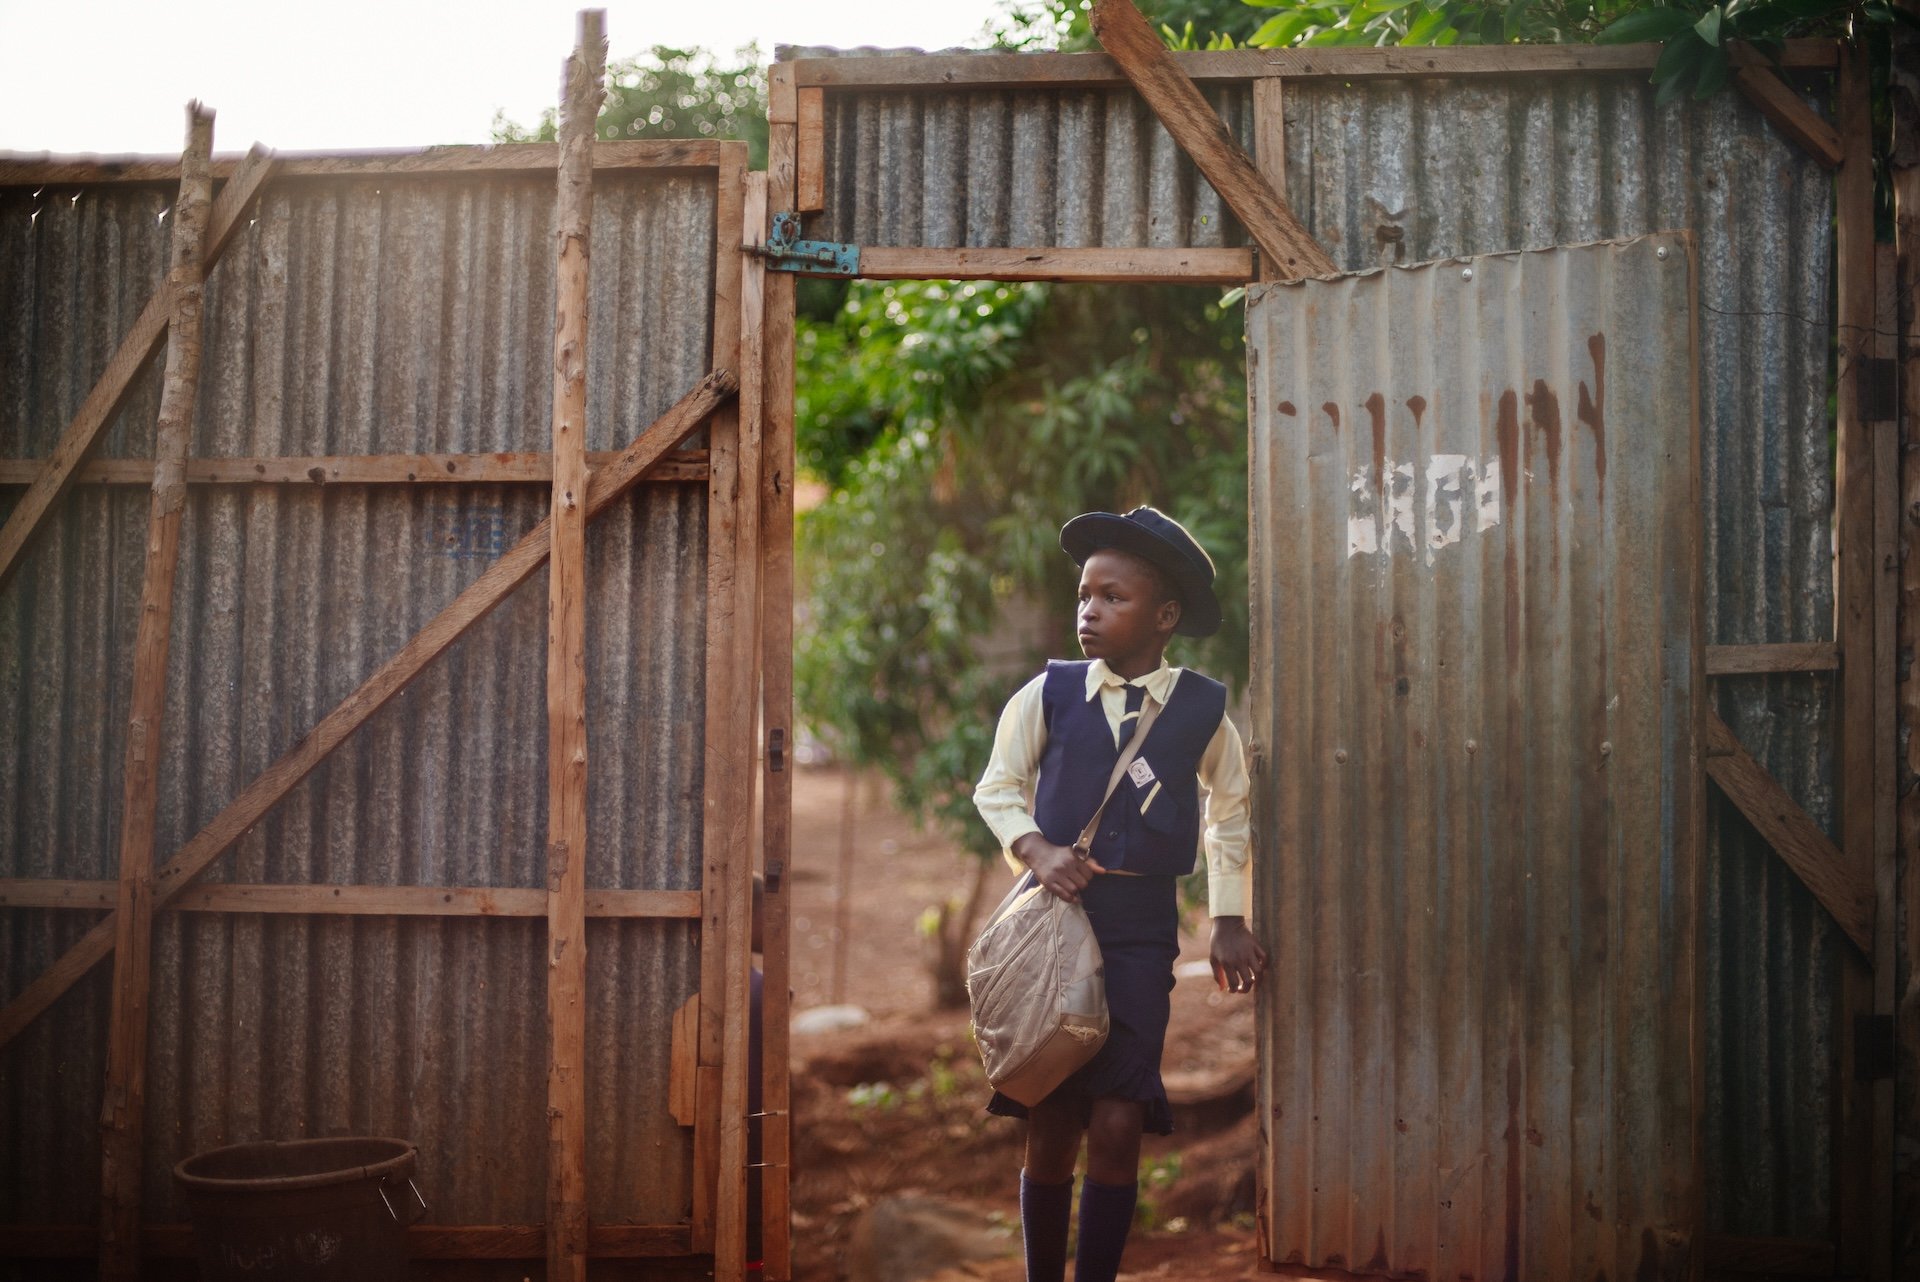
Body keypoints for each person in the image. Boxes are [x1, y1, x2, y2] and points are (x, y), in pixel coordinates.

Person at [973, 505, 1267, 1282]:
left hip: (1140, 929)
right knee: (1054, 1109)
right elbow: (997, 788)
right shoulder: (1050, 694)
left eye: (1112, 598)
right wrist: (1035, 849)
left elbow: (1230, 817)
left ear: (1165, 616)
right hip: (1054, 924)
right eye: (1083, 596)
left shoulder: (1203, 711)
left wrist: (1229, 917)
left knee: (1118, 1118)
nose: (1089, 612)